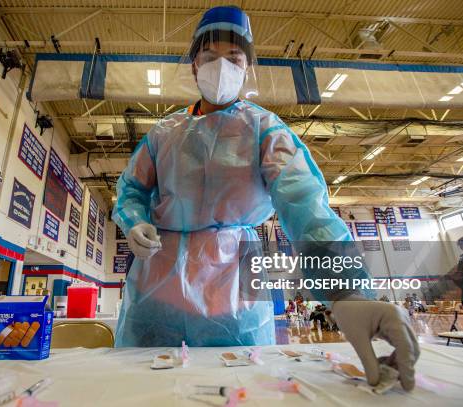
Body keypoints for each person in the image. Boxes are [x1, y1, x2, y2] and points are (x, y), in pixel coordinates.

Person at [112, 5, 419, 390]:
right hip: (158, 283)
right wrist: (136, 220)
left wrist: (348, 290)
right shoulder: (163, 133)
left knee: (242, 384)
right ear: (193, 65)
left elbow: (306, 206)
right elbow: (131, 190)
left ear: (246, 66)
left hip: (235, 281)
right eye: (209, 57)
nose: (220, 66)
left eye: (233, 57)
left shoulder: (264, 130)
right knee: (140, 389)